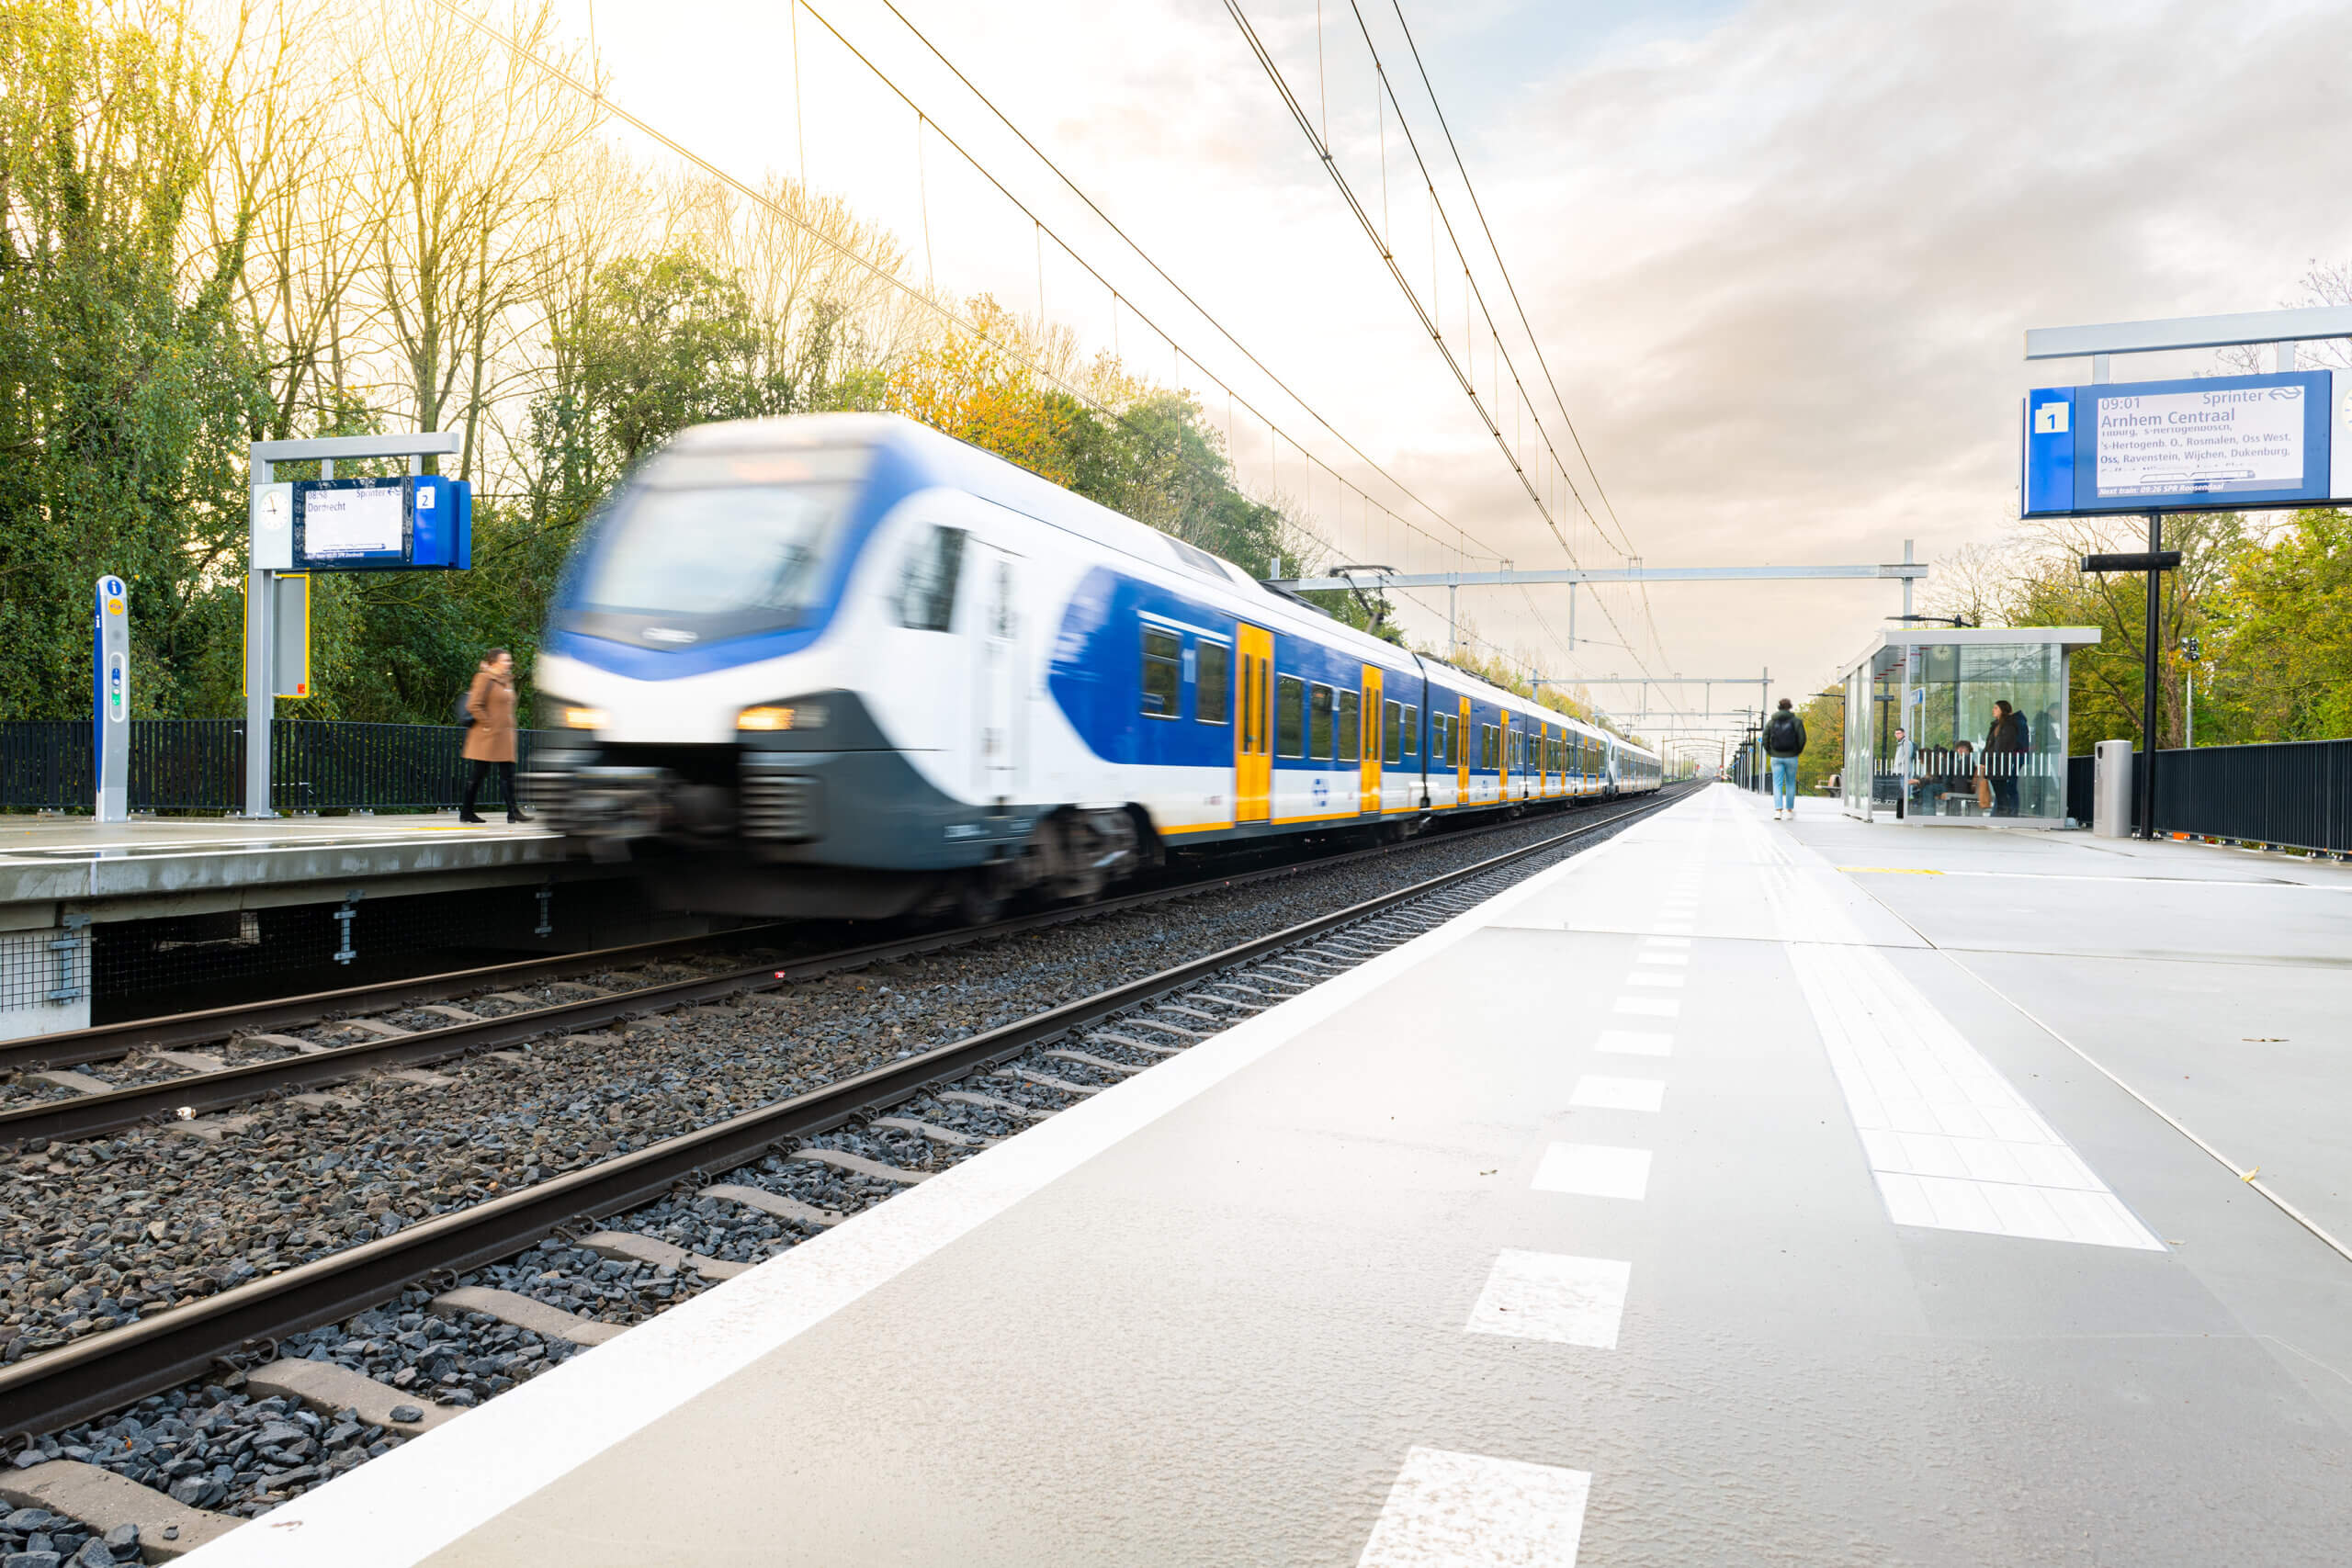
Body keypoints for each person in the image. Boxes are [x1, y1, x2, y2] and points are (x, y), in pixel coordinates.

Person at [460, 648, 527, 824]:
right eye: (505, 660)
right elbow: (474, 705)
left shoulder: (506, 681)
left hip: (504, 737)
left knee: (508, 774)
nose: (509, 663)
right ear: (494, 662)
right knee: (479, 774)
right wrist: (488, 724)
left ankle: (513, 812)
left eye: (509, 660)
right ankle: (466, 812)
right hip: (487, 736)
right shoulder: (483, 678)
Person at [1761, 697, 1805, 820]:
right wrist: (1797, 751)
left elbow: (1765, 739)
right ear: (1790, 707)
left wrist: (1770, 751)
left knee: (1777, 783)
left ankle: (1778, 811)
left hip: (1776, 757)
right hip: (1792, 757)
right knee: (1791, 783)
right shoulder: (1796, 721)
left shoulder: (1771, 722)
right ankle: (1790, 810)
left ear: (1779, 707)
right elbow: (1802, 739)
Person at [1984, 700, 2028, 818]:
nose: (1993, 710)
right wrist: (1985, 760)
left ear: (2003, 710)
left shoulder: (2009, 725)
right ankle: (2001, 816)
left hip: (2002, 762)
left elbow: (2003, 745)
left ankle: (2005, 816)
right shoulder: (1996, 725)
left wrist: (1993, 756)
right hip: (1995, 762)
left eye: (1996, 708)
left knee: (2004, 791)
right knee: (2000, 791)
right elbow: (1990, 744)